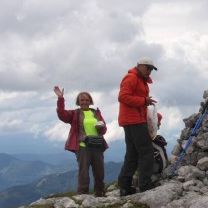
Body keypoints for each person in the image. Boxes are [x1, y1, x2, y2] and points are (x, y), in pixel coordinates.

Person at [54, 86, 108, 196]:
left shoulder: (96, 113)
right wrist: (60, 99)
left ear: (90, 101)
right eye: (82, 100)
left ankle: (100, 192)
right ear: (78, 102)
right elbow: (61, 114)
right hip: (83, 146)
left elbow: (104, 129)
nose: (85, 102)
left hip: (97, 145)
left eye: (87, 100)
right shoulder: (74, 114)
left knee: (99, 172)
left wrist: (101, 127)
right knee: (83, 172)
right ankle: (83, 194)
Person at [117, 58, 158, 196]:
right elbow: (123, 97)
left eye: (151, 69)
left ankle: (125, 186)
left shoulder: (139, 80)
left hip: (131, 120)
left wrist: (147, 107)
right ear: (139, 66)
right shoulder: (131, 78)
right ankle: (145, 186)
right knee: (146, 152)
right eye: (148, 68)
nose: (150, 71)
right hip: (134, 120)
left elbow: (135, 100)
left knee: (132, 154)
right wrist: (143, 100)